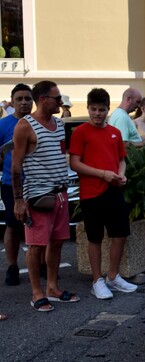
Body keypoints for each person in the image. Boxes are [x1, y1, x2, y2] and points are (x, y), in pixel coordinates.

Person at [11, 80, 79, 312]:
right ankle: (36, 292)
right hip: (38, 196)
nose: (60, 102)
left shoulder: (59, 125)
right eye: (57, 98)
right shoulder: (24, 126)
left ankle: (52, 287)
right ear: (43, 100)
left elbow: (59, 155)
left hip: (60, 195)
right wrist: (19, 200)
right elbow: (16, 166)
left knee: (58, 242)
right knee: (36, 246)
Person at [69, 88, 138, 300]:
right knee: (95, 237)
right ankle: (97, 280)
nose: (97, 114)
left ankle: (113, 276)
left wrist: (121, 175)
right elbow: (75, 163)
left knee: (120, 234)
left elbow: (121, 159)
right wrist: (103, 174)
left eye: (101, 110)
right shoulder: (80, 132)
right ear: (88, 108)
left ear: (108, 109)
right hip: (91, 193)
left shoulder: (114, 133)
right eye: (93, 109)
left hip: (114, 190)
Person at [0, 84, 33, 286]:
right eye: (19, 99)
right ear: (12, 101)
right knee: (13, 224)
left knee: (39, 225)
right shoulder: (3, 125)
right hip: (11, 184)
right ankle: (12, 266)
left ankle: (41, 264)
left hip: (39, 183)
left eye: (27, 99)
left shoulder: (41, 123)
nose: (23, 102)